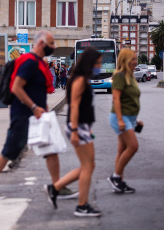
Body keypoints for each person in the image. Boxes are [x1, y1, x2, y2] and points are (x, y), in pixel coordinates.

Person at [0, 31, 78, 200]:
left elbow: (37, 90)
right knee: (10, 150)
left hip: (37, 115)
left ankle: (57, 186)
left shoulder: (38, 62)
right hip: (24, 115)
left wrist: (43, 109)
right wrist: (34, 107)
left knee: (50, 149)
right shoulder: (29, 62)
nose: (54, 47)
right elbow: (17, 87)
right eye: (52, 43)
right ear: (41, 43)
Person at [44, 47, 102, 217]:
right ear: (89, 63)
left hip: (82, 126)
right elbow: (74, 105)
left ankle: (54, 188)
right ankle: (82, 205)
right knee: (88, 166)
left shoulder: (83, 79)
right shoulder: (79, 80)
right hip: (77, 127)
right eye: (97, 63)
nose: (99, 66)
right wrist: (76, 131)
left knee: (89, 165)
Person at [107, 48, 143, 193]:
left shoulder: (130, 76)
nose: (136, 61)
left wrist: (136, 120)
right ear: (126, 60)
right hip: (119, 117)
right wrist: (121, 120)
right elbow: (116, 98)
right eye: (133, 59)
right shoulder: (120, 76)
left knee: (122, 149)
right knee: (133, 146)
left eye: (136, 58)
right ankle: (115, 177)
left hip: (129, 117)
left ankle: (119, 182)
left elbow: (130, 100)